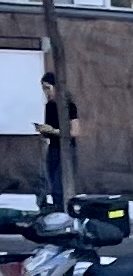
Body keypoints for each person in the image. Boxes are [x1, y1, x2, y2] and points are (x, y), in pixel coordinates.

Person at [36, 72, 79, 211]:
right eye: (43, 89)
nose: (46, 92)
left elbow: (75, 132)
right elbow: (50, 131)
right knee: (51, 181)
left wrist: (53, 130)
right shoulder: (49, 106)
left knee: (59, 182)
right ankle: (56, 207)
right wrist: (44, 131)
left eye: (48, 88)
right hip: (53, 148)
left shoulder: (68, 105)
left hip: (66, 149)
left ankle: (63, 209)